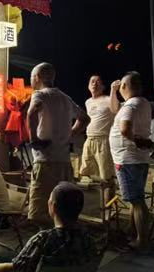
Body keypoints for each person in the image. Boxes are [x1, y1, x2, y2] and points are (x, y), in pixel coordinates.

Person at [0, 182, 99, 272]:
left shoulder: (43, 240)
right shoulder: (90, 241)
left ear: (53, 206)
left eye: (49, 199)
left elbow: (16, 268)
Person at [26, 63, 90, 225]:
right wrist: (71, 134)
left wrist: (34, 139)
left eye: (31, 77)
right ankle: (61, 235)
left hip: (45, 161)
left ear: (37, 77)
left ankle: (46, 237)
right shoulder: (64, 97)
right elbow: (84, 118)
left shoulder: (40, 94)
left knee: (41, 211)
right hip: (64, 162)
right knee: (63, 207)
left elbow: (31, 113)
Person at [109, 71, 152, 250]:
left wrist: (135, 139)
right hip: (138, 159)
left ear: (125, 86)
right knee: (136, 198)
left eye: (121, 86)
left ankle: (142, 240)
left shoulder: (130, 105)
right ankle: (133, 231)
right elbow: (114, 109)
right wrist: (113, 91)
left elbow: (125, 129)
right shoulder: (143, 103)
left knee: (137, 201)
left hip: (127, 160)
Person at [80, 75, 118, 201]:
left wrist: (113, 90)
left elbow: (116, 110)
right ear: (88, 86)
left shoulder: (108, 99)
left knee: (107, 177)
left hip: (103, 141)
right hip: (89, 140)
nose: (94, 84)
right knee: (86, 172)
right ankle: (96, 203)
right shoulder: (88, 102)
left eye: (98, 82)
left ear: (103, 86)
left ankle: (108, 207)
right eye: (92, 81)